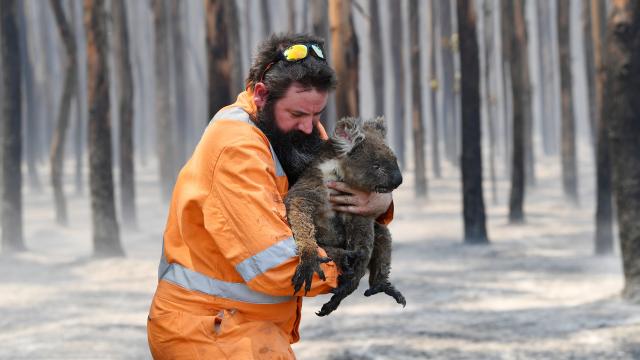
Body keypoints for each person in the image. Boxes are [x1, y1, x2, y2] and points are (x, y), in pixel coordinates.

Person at [147, 33, 394, 359]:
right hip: (209, 331)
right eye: (297, 115)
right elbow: (275, 265)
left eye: (317, 114)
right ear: (262, 95)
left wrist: (382, 202)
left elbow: (343, 193)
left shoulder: (296, 132)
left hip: (247, 327)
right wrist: (350, 264)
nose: (311, 127)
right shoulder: (236, 147)